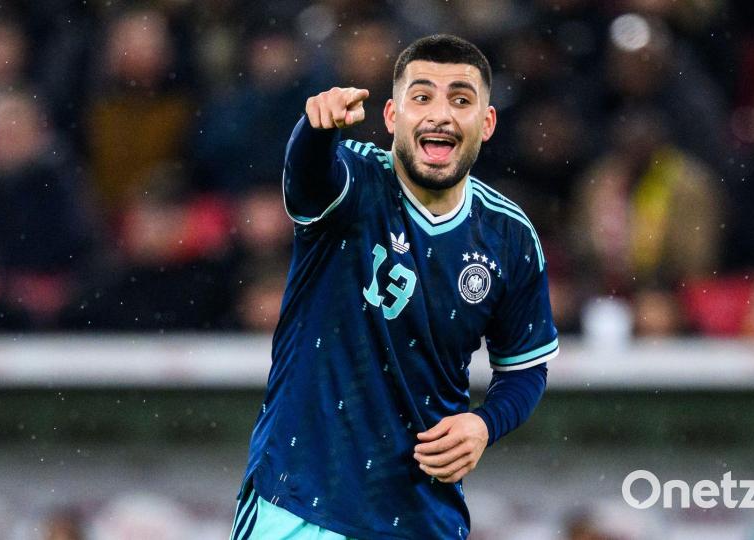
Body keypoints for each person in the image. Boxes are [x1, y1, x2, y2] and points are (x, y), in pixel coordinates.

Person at [234, 35, 557, 539]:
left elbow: (525, 368)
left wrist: (484, 424)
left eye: (461, 99)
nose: (440, 114)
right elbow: (308, 179)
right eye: (422, 96)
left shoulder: (509, 237)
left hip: (421, 516)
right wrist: (315, 129)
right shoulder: (355, 180)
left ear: (486, 123)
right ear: (391, 116)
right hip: (300, 501)